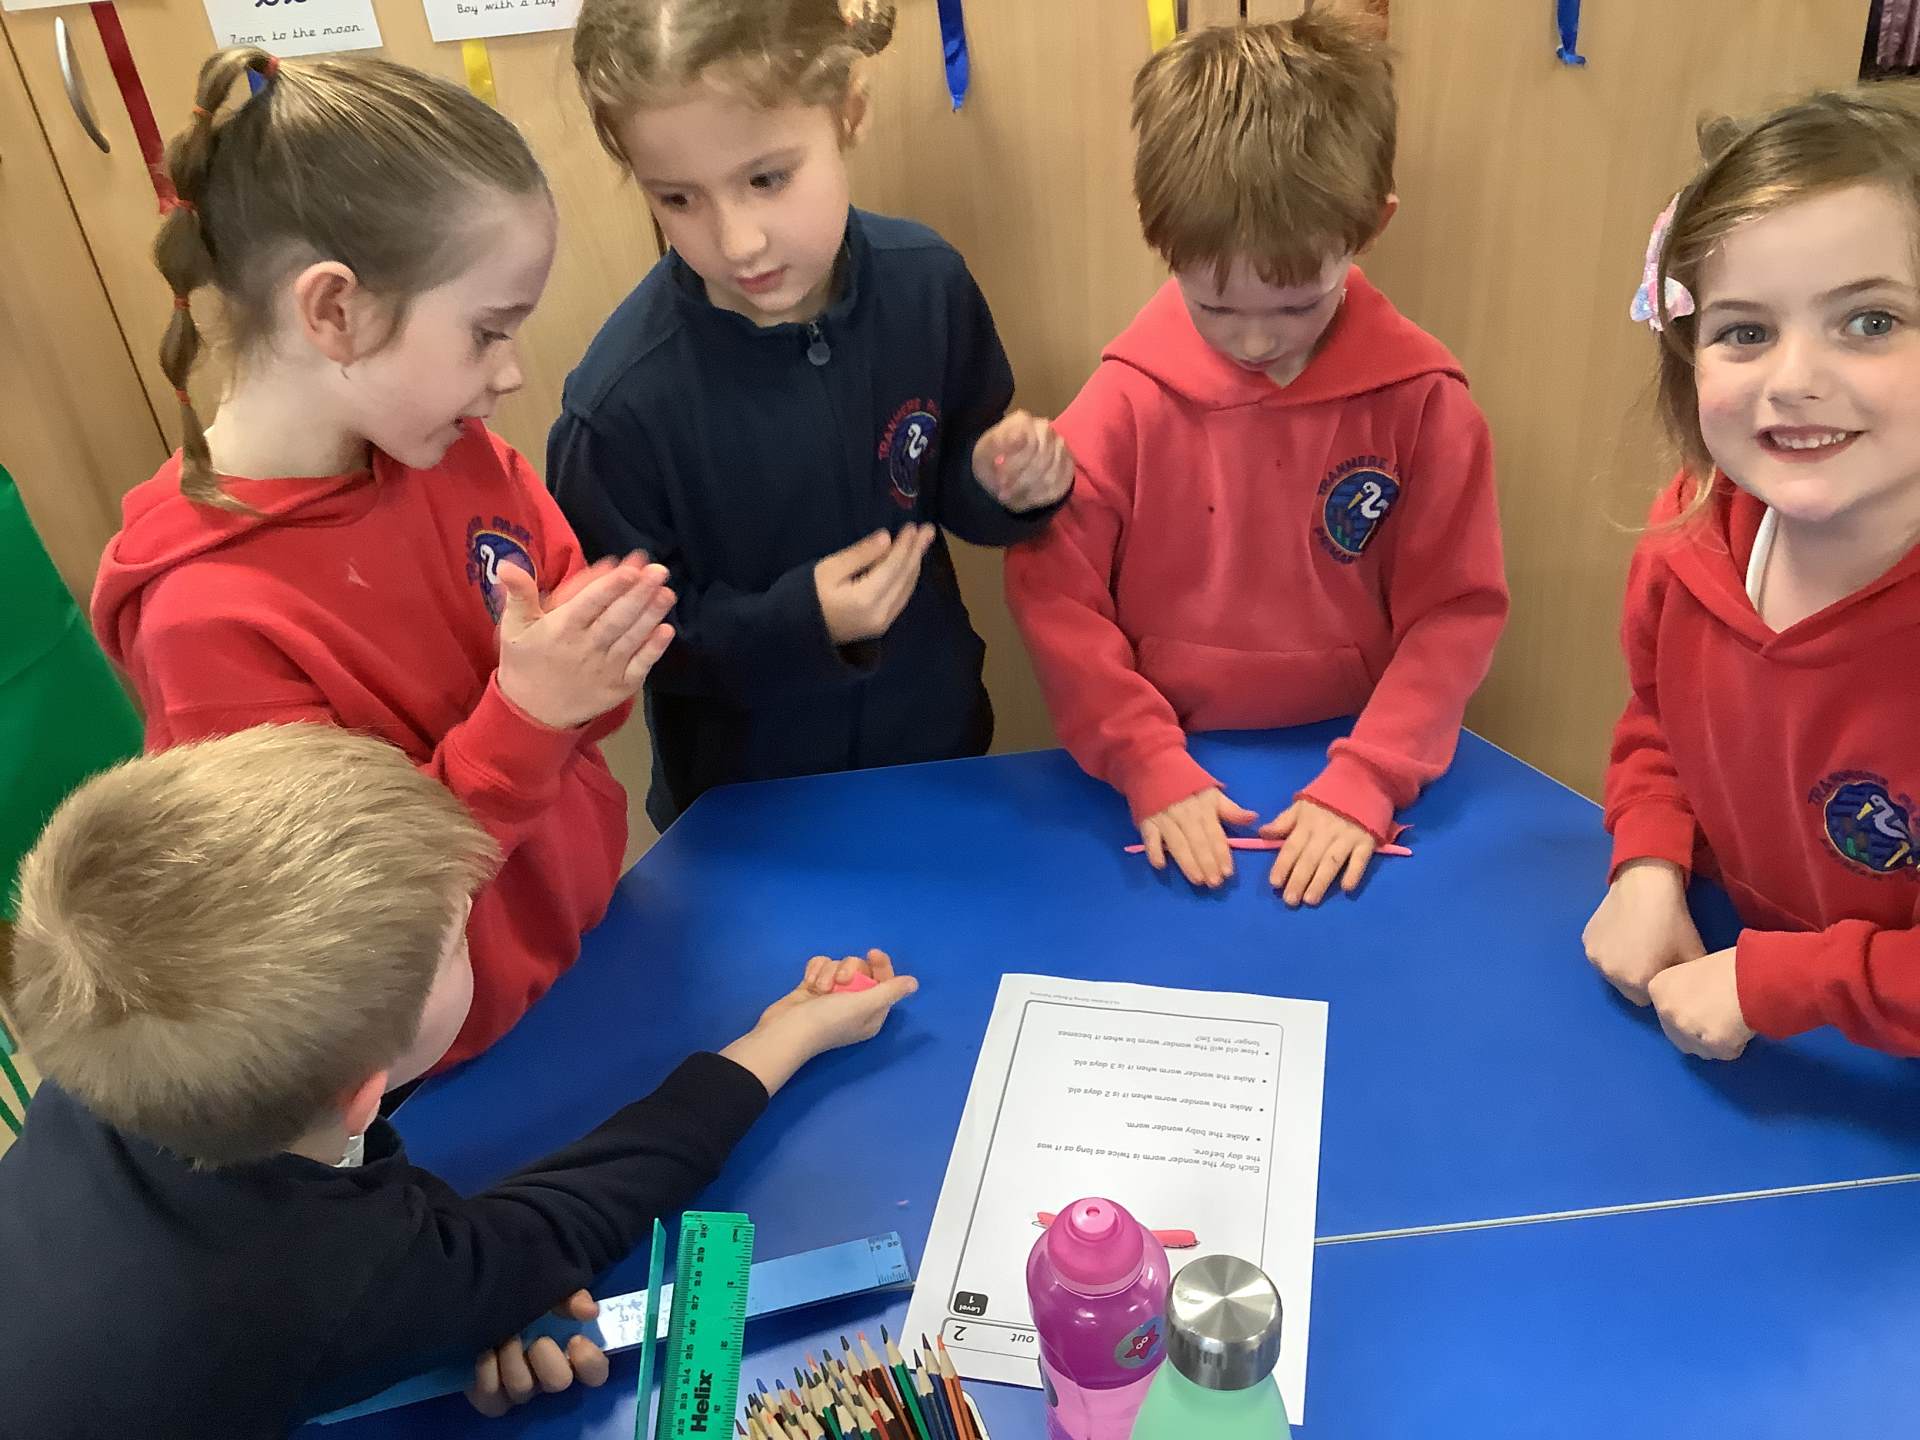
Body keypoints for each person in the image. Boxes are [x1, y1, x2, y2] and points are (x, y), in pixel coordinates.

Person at [0, 724, 915, 1436]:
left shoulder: (107, 1059)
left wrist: (463, 1309)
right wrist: (779, 1039)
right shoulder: (342, 1277)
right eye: (458, 938)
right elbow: (552, 1229)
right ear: (363, 1092)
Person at [91, 49, 669, 1067]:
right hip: (437, 1063)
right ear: (334, 312)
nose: (511, 372)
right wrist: (530, 716)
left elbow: (578, 677)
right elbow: (345, 921)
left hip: (586, 955)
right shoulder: (203, 615)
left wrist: (593, 658)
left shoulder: (455, 453)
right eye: (487, 332)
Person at [1005, 14, 1507, 905]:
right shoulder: (1122, 402)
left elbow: (1454, 613)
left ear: (1371, 227)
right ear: (1157, 237)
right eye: (1214, 306)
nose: (1254, 342)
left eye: (1297, 305)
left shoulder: (1428, 406)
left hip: (1355, 759)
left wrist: (1373, 774)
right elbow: (1056, 594)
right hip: (1162, 772)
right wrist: (1143, 756)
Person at [551, 0, 1073, 829]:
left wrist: (1002, 481)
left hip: (934, 750)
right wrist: (802, 625)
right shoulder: (618, 407)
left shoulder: (928, 285)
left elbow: (950, 476)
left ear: (848, 114)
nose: (739, 241)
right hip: (745, 808)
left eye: (767, 179)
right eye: (678, 198)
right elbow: (630, 644)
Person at [1584, 84, 1920, 1061]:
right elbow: (1661, 724)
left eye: (1870, 321)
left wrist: (1782, 982)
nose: (1794, 379)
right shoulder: (1687, 538)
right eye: (1745, 331)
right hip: (1737, 1005)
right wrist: (1648, 859)